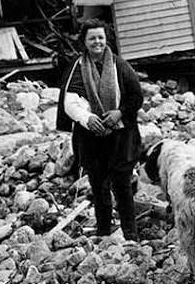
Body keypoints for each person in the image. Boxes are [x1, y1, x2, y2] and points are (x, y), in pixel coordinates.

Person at [56, 19, 145, 239]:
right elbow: (70, 103)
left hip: (120, 137)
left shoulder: (118, 65)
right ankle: (104, 234)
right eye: (92, 38)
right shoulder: (77, 68)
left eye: (100, 37)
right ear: (84, 42)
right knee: (99, 186)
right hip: (91, 139)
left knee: (123, 186)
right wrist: (87, 119)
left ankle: (131, 235)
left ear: (106, 39)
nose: (97, 42)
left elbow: (136, 96)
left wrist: (119, 112)